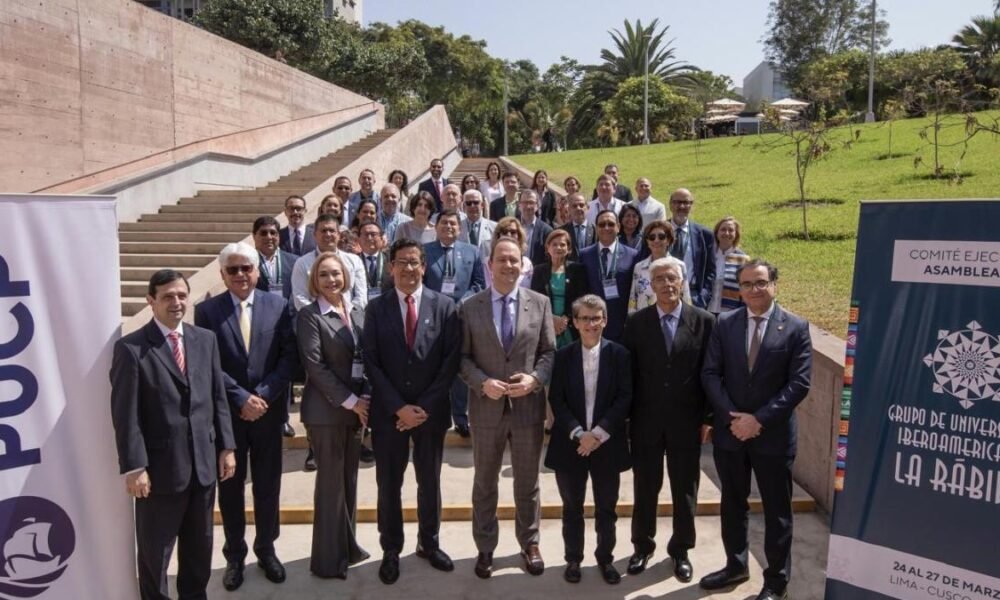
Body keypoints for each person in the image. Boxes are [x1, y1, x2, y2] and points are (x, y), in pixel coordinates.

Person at [109, 270, 236, 600]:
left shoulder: (204, 340)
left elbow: (217, 397)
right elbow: (126, 415)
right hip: (159, 475)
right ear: (151, 301)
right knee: (155, 558)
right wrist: (135, 467)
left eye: (182, 295)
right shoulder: (131, 349)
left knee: (198, 553)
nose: (176, 302)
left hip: (204, 469)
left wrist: (227, 447)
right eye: (167, 296)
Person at [699, 259, 812, 600]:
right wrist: (733, 418)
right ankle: (735, 565)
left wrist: (758, 420)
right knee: (733, 503)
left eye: (760, 283)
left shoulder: (795, 327)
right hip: (731, 434)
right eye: (746, 284)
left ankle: (776, 581)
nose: (753, 290)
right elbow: (710, 374)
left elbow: (799, 383)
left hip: (772, 436)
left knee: (777, 510)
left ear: (774, 284)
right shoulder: (726, 324)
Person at [193, 243, 298, 591]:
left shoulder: (279, 306)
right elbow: (208, 363)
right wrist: (241, 398)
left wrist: (263, 396)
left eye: (246, 268)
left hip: (267, 414)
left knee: (268, 487)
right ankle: (235, 556)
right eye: (233, 270)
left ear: (257, 271)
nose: (240, 275)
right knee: (231, 487)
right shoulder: (206, 312)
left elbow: (288, 359)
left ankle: (266, 549)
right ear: (222, 274)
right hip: (228, 415)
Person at [363, 238, 462, 584]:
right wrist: (398, 408)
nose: (408, 268)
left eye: (415, 262)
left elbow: (450, 363)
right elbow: (372, 363)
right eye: (401, 262)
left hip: (430, 413)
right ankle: (391, 549)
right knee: (389, 483)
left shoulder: (445, 307)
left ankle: (429, 543)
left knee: (429, 481)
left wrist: (422, 407)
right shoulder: (376, 308)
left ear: (424, 267)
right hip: (390, 414)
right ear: (391, 268)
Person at [459, 238, 556, 579]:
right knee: (485, 481)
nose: (508, 266)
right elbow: (462, 358)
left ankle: (529, 543)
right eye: (502, 259)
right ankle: (485, 547)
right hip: (486, 409)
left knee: (527, 482)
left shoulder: (540, 303)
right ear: (490, 265)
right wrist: (482, 382)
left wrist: (535, 380)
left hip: (528, 408)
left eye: (514, 260)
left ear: (522, 265)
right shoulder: (471, 307)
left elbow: (548, 353)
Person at [623, 257, 714, 584]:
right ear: (650, 284)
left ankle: (681, 550)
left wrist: (708, 417)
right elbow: (628, 376)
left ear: (682, 280)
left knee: (684, 489)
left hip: (686, 422)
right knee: (645, 487)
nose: (665, 283)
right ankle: (642, 546)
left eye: (671, 277)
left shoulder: (704, 322)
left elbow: (711, 374)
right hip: (646, 420)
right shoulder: (636, 323)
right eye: (658, 278)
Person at [545, 294, 632, 585]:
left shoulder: (620, 355)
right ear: (576, 322)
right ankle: (573, 559)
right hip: (571, 444)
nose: (591, 324)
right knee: (572, 508)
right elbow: (556, 399)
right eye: (585, 318)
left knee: (606, 508)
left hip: (607, 443)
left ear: (605, 321)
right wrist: (579, 433)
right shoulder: (564, 356)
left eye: (596, 318)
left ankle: (605, 559)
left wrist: (598, 433)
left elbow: (625, 397)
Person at [295, 252, 372, 579]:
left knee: (348, 482)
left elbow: (367, 357)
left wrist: (366, 397)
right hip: (327, 411)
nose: (331, 280)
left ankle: (347, 546)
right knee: (330, 485)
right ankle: (328, 561)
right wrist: (352, 400)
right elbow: (315, 366)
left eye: (336, 274)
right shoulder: (310, 316)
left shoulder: (357, 312)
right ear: (315, 280)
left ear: (346, 276)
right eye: (324, 275)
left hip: (357, 410)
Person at [578, 210, 638, 342]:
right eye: (602, 224)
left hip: (622, 324)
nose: (606, 228)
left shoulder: (633, 255)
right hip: (592, 323)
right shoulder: (584, 255)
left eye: (610, 224)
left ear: (618, 227)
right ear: (596, 227)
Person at [291, 214, 367, 312]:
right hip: (317, 321)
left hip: (349, 318)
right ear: (315, 235)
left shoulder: (354, 261)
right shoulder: (302, 263)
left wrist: (347, 314)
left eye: (332, 231)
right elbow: (300, 298)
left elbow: (361, 296)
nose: (328, 234)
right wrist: (323, 318)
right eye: (323, 231)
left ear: (339, 235)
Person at [530, 229, 588, 349]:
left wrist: (564, 320)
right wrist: (551, 319)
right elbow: (535, 299)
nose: (558, 247)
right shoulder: (539, 270)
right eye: (554, 244)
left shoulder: (577, 270)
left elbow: (582, 298)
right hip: (546, 325)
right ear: (548, 248)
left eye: (562, 244)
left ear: (569, 249)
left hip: (570, 327)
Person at [668, 188, 716, 309]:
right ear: (670, 204)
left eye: (686, 202)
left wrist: (703, 296)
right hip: (664, 294)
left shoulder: (705, 234)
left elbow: (711, 270)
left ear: (691, 205)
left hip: (694, 296)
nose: (682, 206)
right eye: (677, 202)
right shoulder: (657, 232)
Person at [629, 221, 692, 313]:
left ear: (669, 240)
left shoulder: (679, 266)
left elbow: (686, 296)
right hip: (644, 321)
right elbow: (633, 298)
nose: (656, 240)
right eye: (652, 237)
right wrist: (631, 322)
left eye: (661, 237)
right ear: (647, 241)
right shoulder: (639, 267)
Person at [708, 216, 750, 315]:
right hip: (706, 310)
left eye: (731, 230)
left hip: (730, 312)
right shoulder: (707, 255)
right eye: (723, 229)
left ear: (736, 234)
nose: (726, 233)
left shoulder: (743, 259)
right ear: (717, 233)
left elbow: (746, 289)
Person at [253, 216, 297, 305]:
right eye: (263, 233)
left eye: (273, 233)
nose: (269, 237)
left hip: (288, 315)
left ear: (278, 236)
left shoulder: (294, 261)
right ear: (254, 236)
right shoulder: (248, 263)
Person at [486, 217, 534, 289]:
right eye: (504, 232)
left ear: (519, 235)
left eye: (513, 232)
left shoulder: (527, 263)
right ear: (498, 235)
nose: (508, 235)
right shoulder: (488, 263)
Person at [358, 220, 393, 298]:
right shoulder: (353, 261)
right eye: (366, 234)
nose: (369, 238)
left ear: (381, 239)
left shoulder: (391, 260)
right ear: (359, 239)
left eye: (373, 234)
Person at [519, 189, 554, 266]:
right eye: (524, 202)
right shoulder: (511, 227)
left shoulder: (547, 230)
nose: (528, 206)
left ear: (537, 206)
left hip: (536, 274)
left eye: (531, 202)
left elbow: (549, 258)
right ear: (519, 205)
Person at [559, 193, 595, 260]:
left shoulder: (596, 230)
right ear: (569, 209)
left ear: (587, 208)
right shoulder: (561, 231)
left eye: (581, 205)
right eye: (574, 206)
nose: (578, 208)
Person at [458, 189, 496, 254]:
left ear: (482, 205)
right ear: (464, 206)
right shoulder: (457, 228)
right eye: (468, 203)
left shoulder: (494, 227)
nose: (472, 206)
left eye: (476, 202)